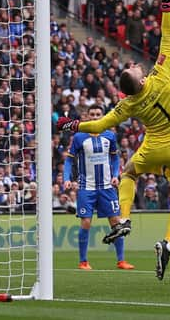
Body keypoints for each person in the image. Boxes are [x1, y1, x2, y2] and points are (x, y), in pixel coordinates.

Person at [57, 0, 170, 280]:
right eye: (133, 69)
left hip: (154, 148)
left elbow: (100, 124)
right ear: (142, 80)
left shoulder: (128, 105)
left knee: (131, 172)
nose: (135, 64)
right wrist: (167, 2)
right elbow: (168, 34)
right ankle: (168, 242)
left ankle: (125, 219)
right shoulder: (160, 75)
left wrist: (73, 124)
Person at [63, 104, 135, 271]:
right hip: (86, 187)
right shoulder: (79, 137)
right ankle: (83, 261)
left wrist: (116, 175)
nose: (95, 117)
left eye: (98, 114)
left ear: (103, 116)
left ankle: (121, 261)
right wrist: (67, 178)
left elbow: (115, 159)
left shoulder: (110, 136)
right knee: (86, 222)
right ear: (87, 116)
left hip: (107, 187)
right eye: (92, 114)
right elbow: (69, 160)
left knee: (116, 223)